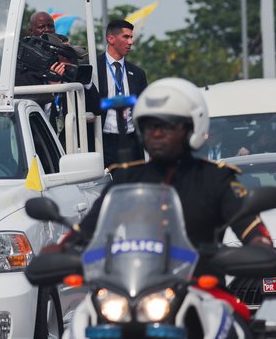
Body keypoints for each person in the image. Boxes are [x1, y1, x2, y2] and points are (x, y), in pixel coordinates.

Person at [70, 78, 272, 277]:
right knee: (87, 311)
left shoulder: (217, 178)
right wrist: (62, 251)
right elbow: (85, 232)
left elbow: (253, 232)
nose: (156, 133)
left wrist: (258, 247)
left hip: (202, 291)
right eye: (149, 126)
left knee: (233, 311)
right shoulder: (126, 179)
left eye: (166, 126)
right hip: (135, 288)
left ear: (192, 127)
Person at [97, 19, 148, 167]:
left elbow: (143, 107)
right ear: (111, 39)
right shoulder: (93, 67)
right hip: (103, 141)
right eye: (126, 37)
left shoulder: (137, 73)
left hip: (131, 140)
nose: (130, 42)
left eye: (131, 37)